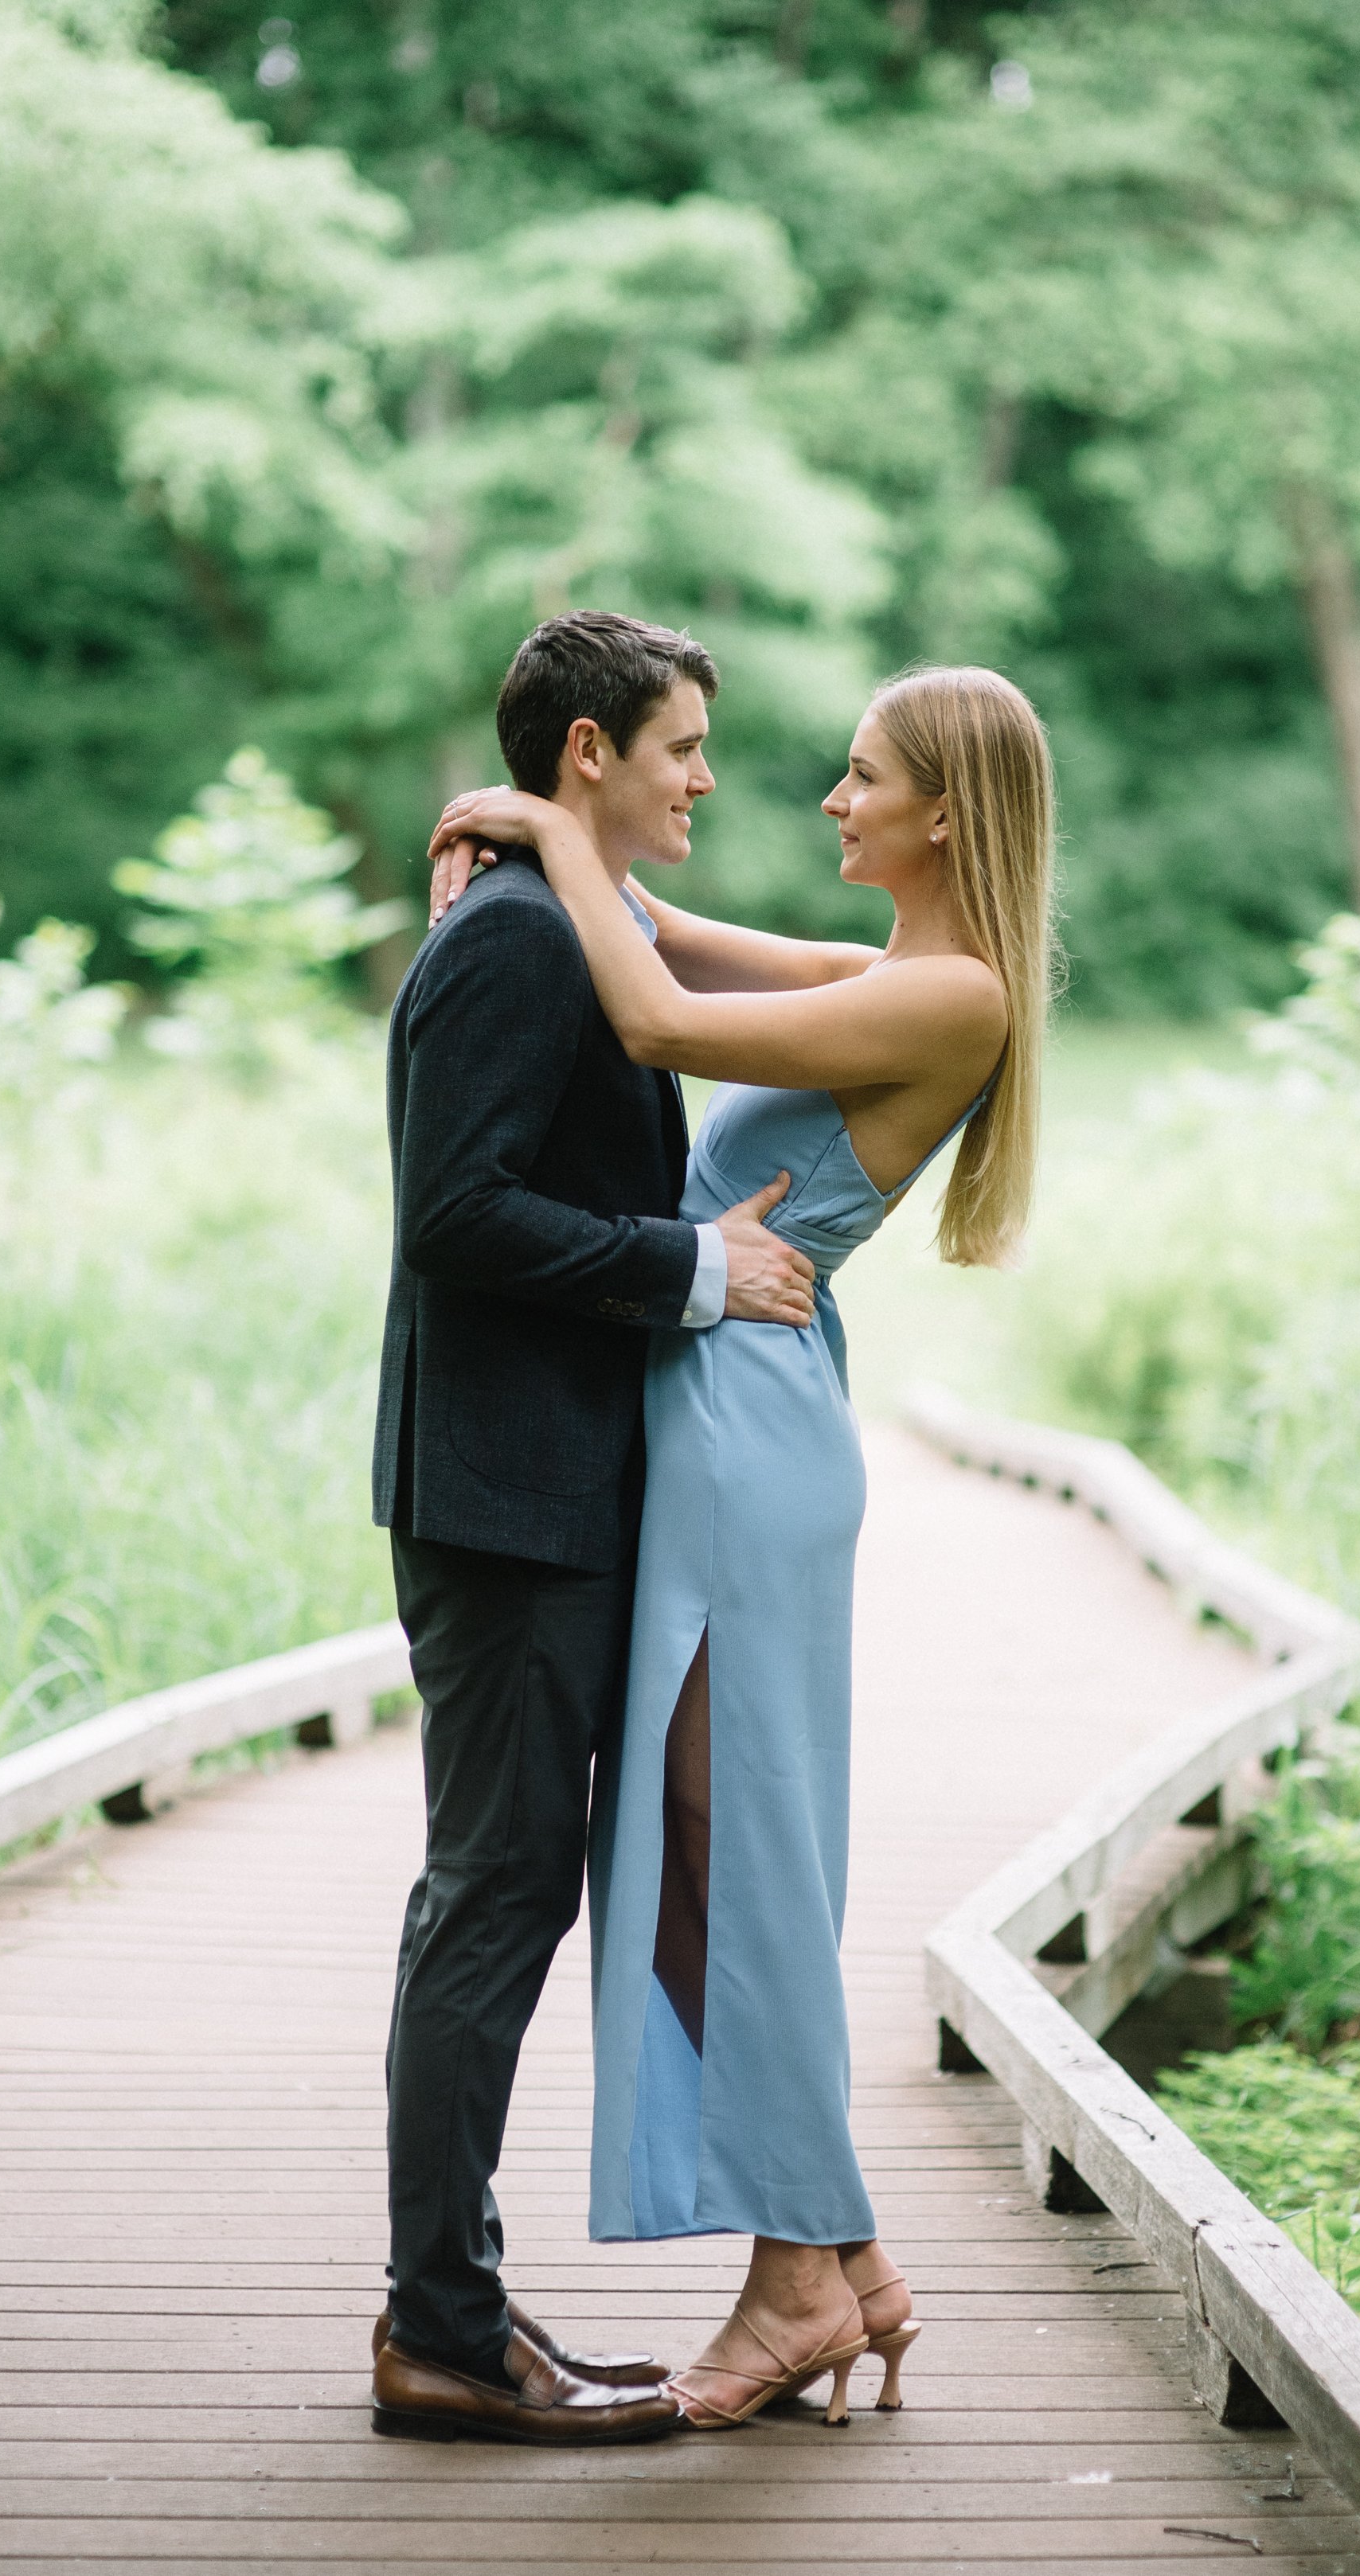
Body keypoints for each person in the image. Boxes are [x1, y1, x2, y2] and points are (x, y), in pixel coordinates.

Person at [427, 659, 1054, 2428]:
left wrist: (553, 821)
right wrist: (548, 840)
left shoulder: (951, 998)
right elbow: (673, 935)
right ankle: (840, 2260)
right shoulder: (889, 973)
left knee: (732, 1851)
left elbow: (646, 1018)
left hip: (744, 1423)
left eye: (862, 779)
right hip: (727, 1409)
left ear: (944, 809)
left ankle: (791, 2283)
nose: (829, 801)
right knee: (710, 1844)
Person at [368, 611, 822, 2446]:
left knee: (510, 1889)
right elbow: (452, 1214)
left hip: (547, 1491)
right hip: (507, 1499)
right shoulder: (517, 939)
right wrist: (693, 1270)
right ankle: (442, 2330)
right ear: (589, 756)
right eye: (682, 746)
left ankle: (457, 2306)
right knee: (493, 1892)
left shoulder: (584, 915)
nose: (705, 776)